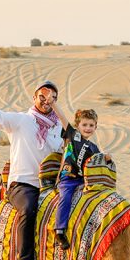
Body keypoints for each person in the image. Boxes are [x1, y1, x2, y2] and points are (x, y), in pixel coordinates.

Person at [0, 62, 63, 260]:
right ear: (35, 96)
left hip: (50, 185)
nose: (47, 99)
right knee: (29, 209)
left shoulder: (57, 128)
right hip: (23, 184)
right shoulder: (21, 120)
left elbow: (73, 140)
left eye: (52, 97)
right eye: (43, 95)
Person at [51, 107, 100, 250]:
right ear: (78, 125)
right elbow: (62, 117)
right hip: (67, 179)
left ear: (95, 127)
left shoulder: (94, 148)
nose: (88, 128)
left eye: (91, 125)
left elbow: (98, 162)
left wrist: (107, 158)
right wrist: (53, 104)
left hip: (83, 180)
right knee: (65, 197)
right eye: (84, 125)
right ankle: (59, 230)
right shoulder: (73, 135)